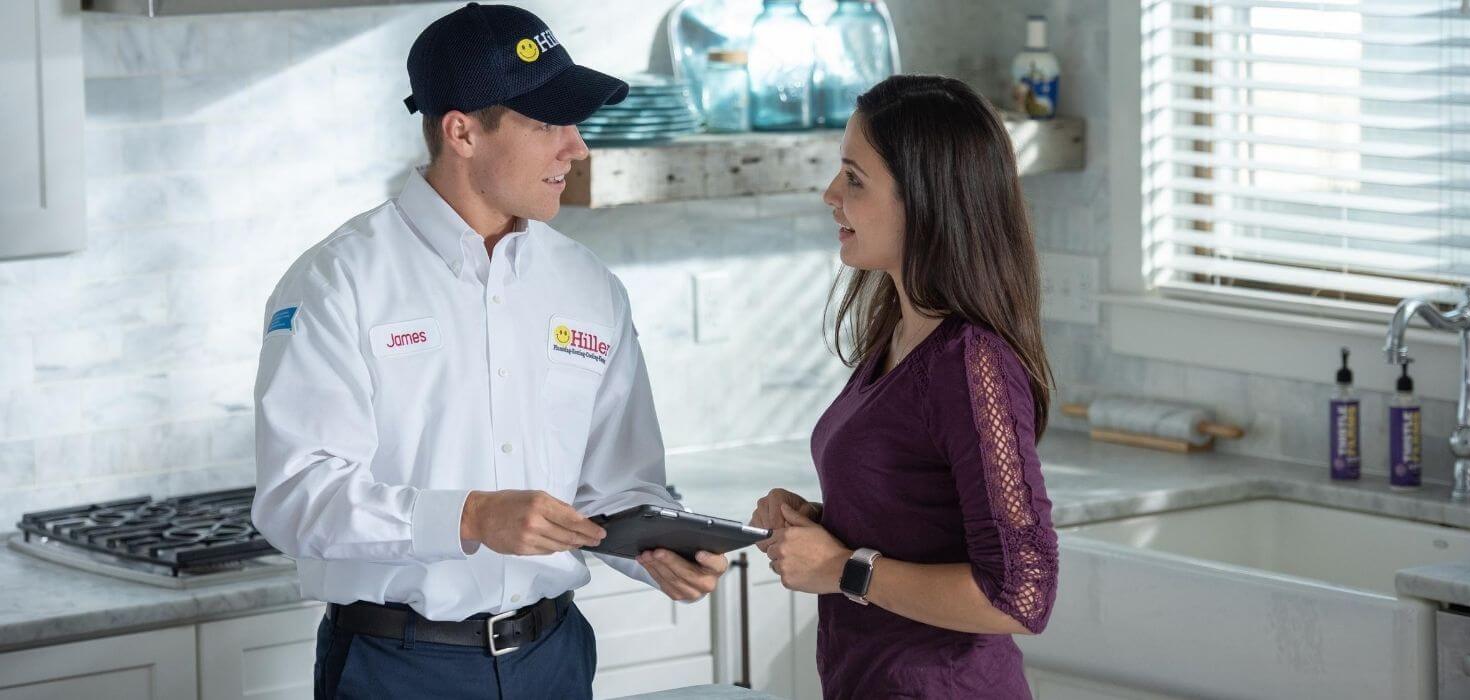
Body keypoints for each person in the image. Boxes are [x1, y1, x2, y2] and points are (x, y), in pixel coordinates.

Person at [251, 5, 726, 698]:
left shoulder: (589, 287)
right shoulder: (338, 281)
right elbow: (297, 498)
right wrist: (471, 516)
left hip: (555, 659)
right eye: (547, 124)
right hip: (398, 668)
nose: (577, 148)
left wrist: (657, 549)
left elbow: (617, 485)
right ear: (462, 131)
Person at [749, 74, 1060, 699]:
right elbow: (913, 518)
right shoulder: (900, 337)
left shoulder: (973, 365)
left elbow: (1021, 595)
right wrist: (819, 524)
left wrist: (841, 569)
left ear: (925, 200)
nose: (830, 194)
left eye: (855, 179)